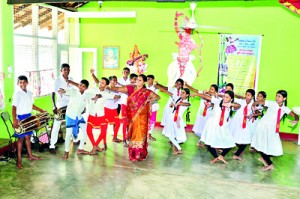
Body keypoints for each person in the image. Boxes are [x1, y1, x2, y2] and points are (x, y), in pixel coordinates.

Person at [109, 74, 160, 162]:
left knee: (140, 136)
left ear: (144, 82)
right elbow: (116, 89)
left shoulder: (146, 91)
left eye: (140, 80)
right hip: (132, 118)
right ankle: (133, 153)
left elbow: (157, 97)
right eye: (137, 80)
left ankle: (140, 153)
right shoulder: (130, 89)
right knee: (133, 135)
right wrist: (112, 84)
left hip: (142, 117)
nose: (137, 81)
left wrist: (149, 101)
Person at [251, 90, 298, 171]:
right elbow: (260, 102)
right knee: (261, 146)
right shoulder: (272, 103)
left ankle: (264, 158)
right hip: (263, 127)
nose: (277, 98)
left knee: (273, 147)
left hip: (272, 130)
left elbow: (295, 115)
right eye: (276, 96)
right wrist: (254, 105)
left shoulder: (285, 109)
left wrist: (296, 120)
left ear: (284, 98)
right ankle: (270, 164)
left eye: (279, 96)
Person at [192, 90, 240, 164]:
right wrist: (196, 94)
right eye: (224, 96)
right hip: (212, 124)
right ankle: (216, 157)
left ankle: (221, 156)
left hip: (223, 126)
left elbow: (239, 106)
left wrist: (230, 105)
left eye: (227, 97)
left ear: (231, 98)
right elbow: (206, 96)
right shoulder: (217, 101)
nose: (224, 98)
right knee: (208, 143)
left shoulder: (231, 106)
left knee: (230, 142)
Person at [12, 75, 44, 169]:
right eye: (20, 82)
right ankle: (19, 160)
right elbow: (14, 108)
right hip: (21, 118)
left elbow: (31, 105)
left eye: (24, 82)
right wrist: (15, 119)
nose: (22, 84)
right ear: (18, 84)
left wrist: (40, 110)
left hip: (29, 117)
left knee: (28, 138)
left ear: (27, 83)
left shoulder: (30, 93)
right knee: (20, 140)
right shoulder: (17, 94)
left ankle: (30, 155)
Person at [86, 77, 120, 155]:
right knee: (88, 130)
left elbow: (116, 96)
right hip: (92, 114)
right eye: (100, 82)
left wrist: (117, 97)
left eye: (103, 83)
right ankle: (95, 145)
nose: (100, 83)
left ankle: (95, 146)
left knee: (103, 132)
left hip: (101, 114)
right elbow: (84, 91)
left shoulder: (107, 93)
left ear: (106, 86)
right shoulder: (93, 89)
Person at [60, 79, 90, 159]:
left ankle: (80, 149)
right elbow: (65, 91)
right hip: (70, 116)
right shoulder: (73, 91)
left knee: (85, 132)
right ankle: (66, 152)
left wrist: (98, 96)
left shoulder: (87, 95)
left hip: (79, 116)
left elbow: (95, 96)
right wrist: (62, 91)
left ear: (86, 88)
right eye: (80, 85)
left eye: (83, 86)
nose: (81, 87)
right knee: (68, 134)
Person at [185, 83, 218, 147]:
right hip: (201, 114)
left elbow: (216, 105)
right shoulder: (204, 93)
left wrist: (211, 104)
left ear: (215, 91)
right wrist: (187, 85)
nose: (210, 90)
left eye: (212, 89)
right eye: (210, 88)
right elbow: (195, 90)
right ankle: (201, 141)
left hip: (209, 114)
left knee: (207, 128)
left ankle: (202, 141)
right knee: (200, 127)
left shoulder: (215, 97)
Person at [49, 63, 73, 154]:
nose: (66, 71)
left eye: (68, 69)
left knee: (71, 123)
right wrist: (54, 106)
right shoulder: (57, 80)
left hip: (70, 104)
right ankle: (52, 145)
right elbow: (53, 93)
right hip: (60, 105)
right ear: (61, 70)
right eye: (65, 70)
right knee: (56, 125)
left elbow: (75, 91)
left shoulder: (71, 79)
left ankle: (75, 140)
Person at [162, 88, 191, 155]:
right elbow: (174, 106)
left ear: (187, 95)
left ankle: (176, 145)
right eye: (181, 92)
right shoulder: (178, 100)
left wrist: (177, 104)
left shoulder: (186, 102)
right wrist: (173, 105)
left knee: (183, 139)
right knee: (171, 135)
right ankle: (179, 149)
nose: (181, 94)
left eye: (183, 93)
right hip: (171, 118)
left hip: (178, 120)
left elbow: (187, 104)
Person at [230, 89, 255, 161]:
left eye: (249, 95)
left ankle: (238, 153)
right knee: (234, 138)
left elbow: (258, 112)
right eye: (246, 94)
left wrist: (252, 114)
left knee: (246, 140)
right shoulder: (241, 101)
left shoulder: (253, 104)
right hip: (237, 123)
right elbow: (234, 102)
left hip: (246, 124)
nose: (247, 96)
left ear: (252, 97)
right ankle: (239, 152)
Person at [146, 75, 159, 141]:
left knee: (152, 121)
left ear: (153, 80)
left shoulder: (155, 88)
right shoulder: (144, 87)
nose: (148, 80)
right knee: (145, 121)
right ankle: (145, 134)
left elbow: (156, 97)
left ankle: (149, 134)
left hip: (153, 106)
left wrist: (150, 102)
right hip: (145, 107)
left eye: (150, 79)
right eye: (147, 79)